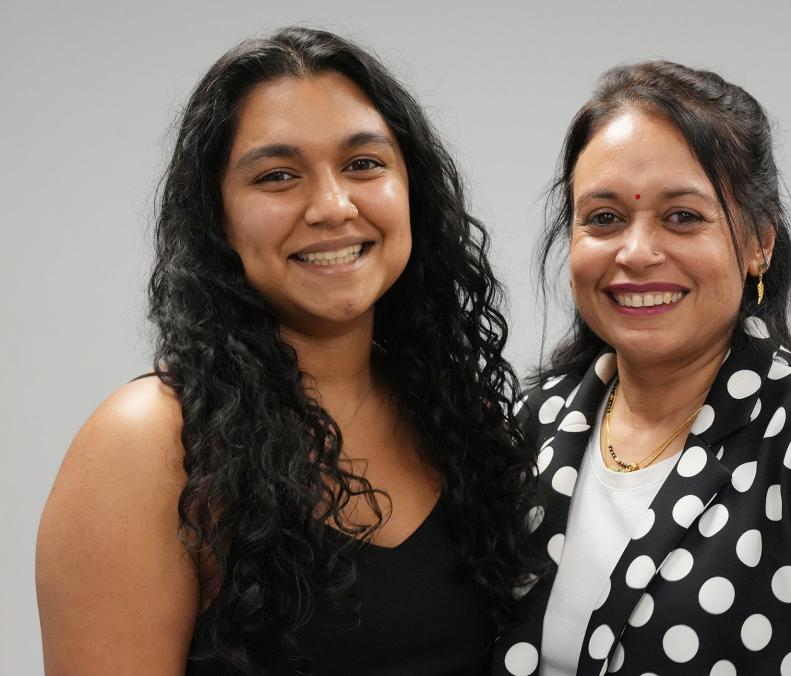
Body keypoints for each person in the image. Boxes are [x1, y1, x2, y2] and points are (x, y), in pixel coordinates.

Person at [36, 27, 535, 675]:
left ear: (413, 190)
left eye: (363, 164)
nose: (332, 206)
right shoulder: (149, 444)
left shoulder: (461, 423)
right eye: (277, 176)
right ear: (217, 218)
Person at [493, 61, 791, 676]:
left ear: (759, 242)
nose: (636, 252)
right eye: (604, 218)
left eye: (682, 216)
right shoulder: (537, 425)